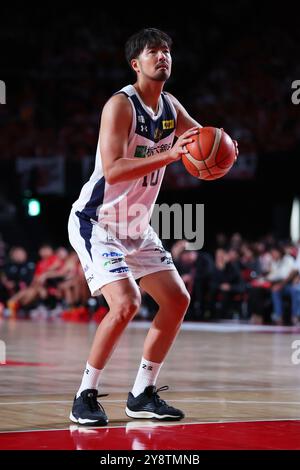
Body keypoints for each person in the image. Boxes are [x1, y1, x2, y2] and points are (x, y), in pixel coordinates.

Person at [68, 27, 238, 426]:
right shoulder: (120, 106)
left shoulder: (171, 107)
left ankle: (142, 393)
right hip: (98, 220)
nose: (163, 57)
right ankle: (84, 396)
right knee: (126, 303)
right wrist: (172, 156)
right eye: (153, 52)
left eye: (166, 52)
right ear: (135, 64)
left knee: (177, 300)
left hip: (137, 225)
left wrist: (221, 150)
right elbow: (113, 169)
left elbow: (201, 139)